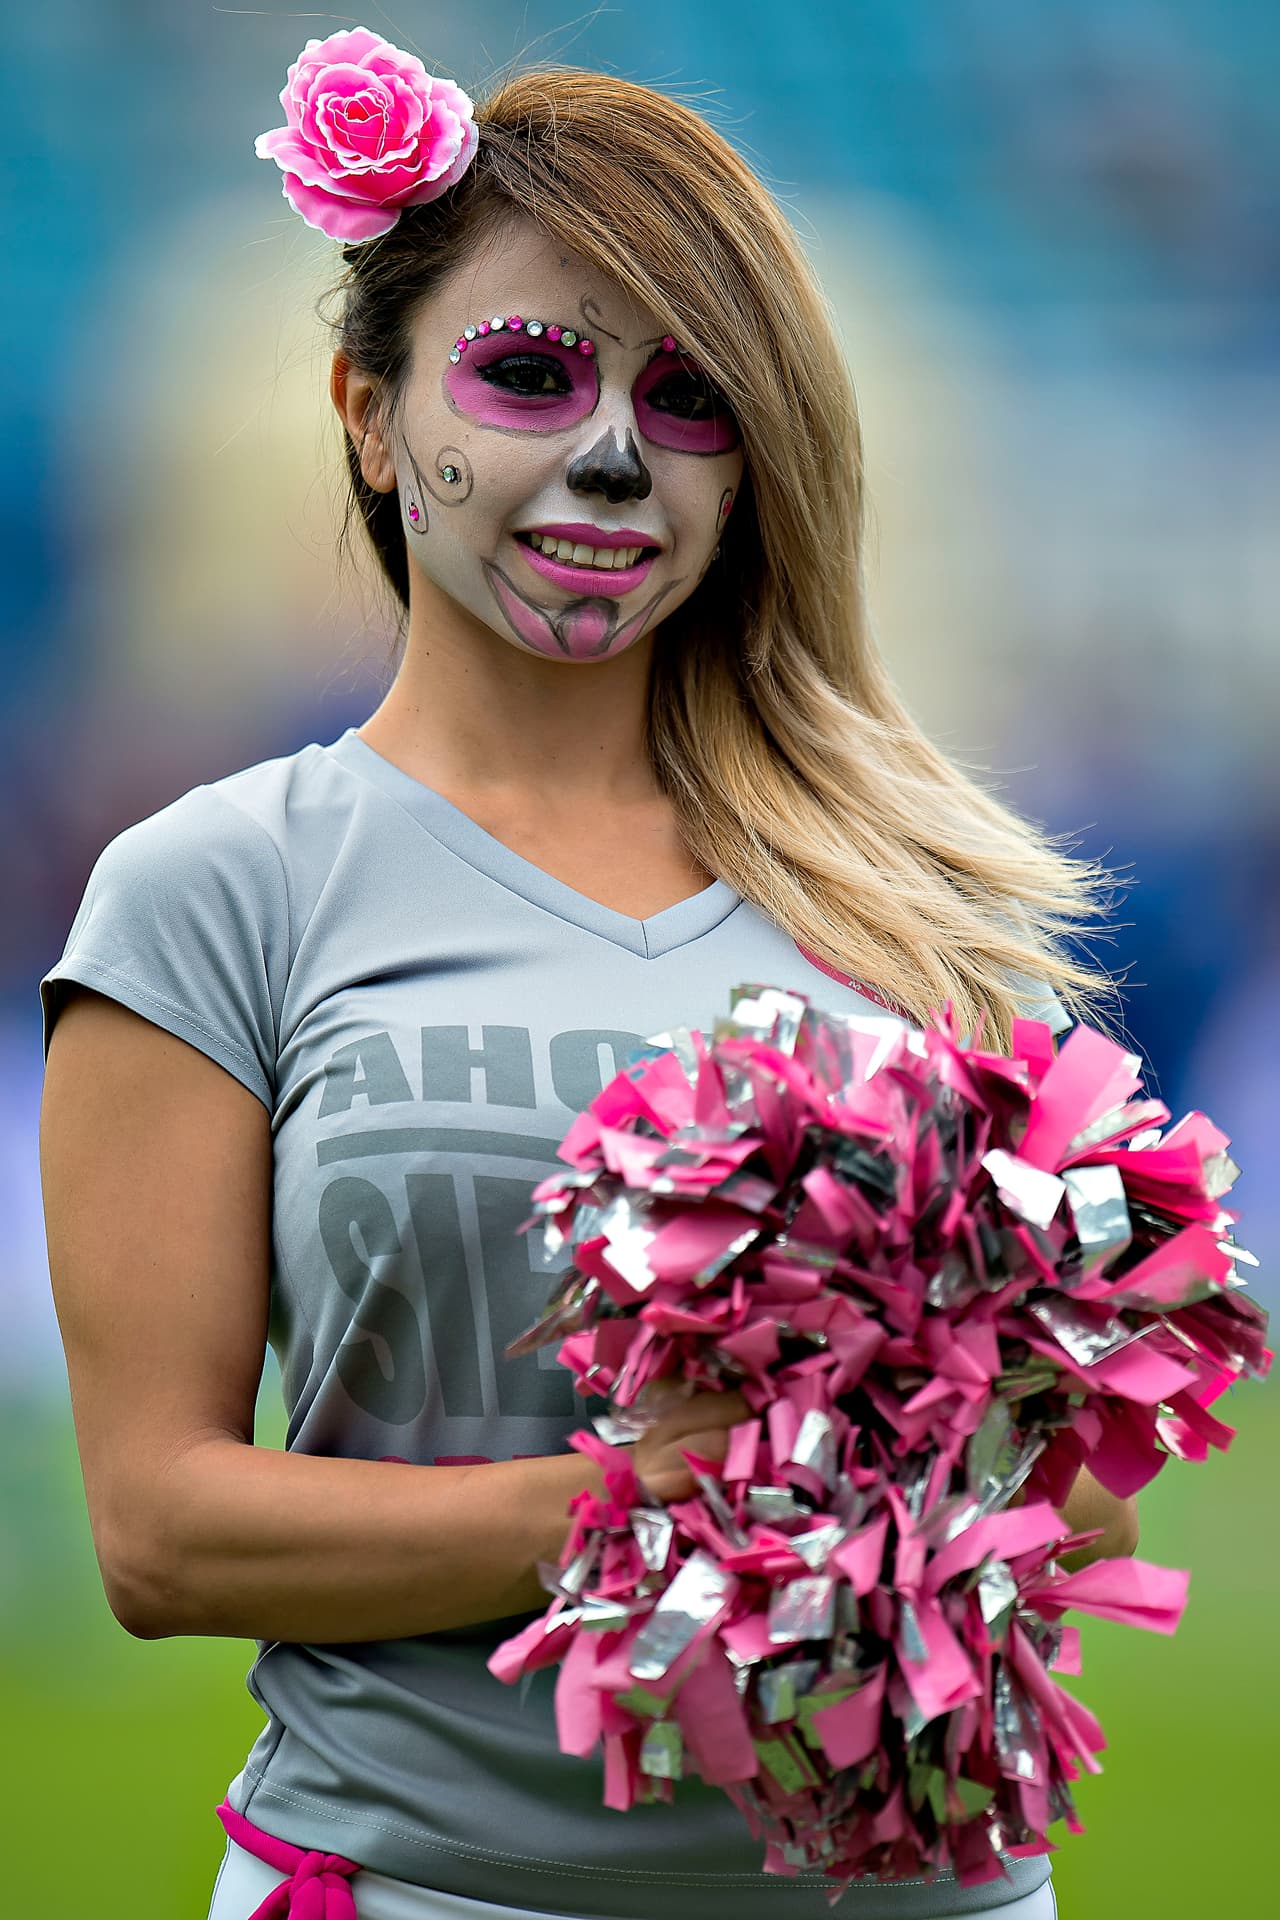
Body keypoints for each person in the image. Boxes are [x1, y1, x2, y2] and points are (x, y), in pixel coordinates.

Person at [38, 29, 1137, 1920]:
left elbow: (1086, 1504)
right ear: (371, 418)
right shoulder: (218, 889)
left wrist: (942, 1439)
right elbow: (161, 1534)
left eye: (694, 398)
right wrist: (667, 1495)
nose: (616, 455)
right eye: (531, 375)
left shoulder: (926, 894)